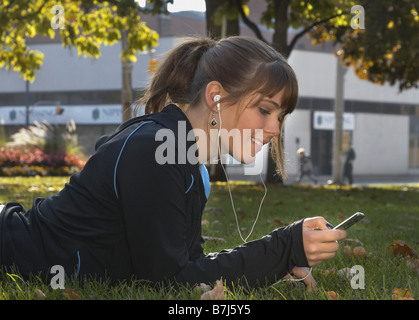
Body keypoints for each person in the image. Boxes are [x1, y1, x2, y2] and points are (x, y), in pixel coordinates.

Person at [0, 36, 346, 289]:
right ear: (216, 96)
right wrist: (283, 248)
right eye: (265, 110)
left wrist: (274, 264)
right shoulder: (155, 151)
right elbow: (168, 282)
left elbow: (188, 268)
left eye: (281, 117)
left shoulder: (185, 160)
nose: (274, 129)